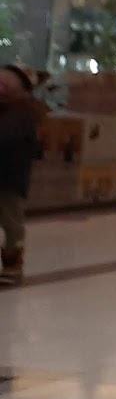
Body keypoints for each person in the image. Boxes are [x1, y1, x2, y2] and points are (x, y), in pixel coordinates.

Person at [0, 65, 42, 286]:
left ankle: (12, 266)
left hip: (10, 178)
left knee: (11, 222)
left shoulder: (23, 112)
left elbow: (6, 136)